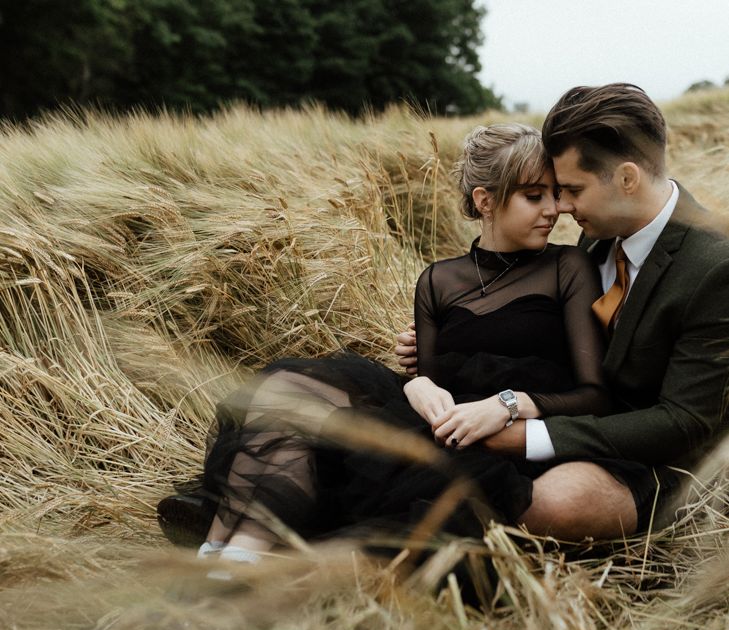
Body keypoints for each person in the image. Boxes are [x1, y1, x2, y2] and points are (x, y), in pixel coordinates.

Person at [157, 123, 613, 562]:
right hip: (434, 420)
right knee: (284, 388)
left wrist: (510, 404)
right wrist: (418, 385)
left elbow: (593, 393)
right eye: (534, 197)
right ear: (485, 200)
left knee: (342, 460)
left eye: (555, 194)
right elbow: (431, 379)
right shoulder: (439, 280)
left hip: (494, 438)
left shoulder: (567, 268)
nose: (553, 210)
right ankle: (226, 558)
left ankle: (227, 553)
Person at [397, 83, 729, 540]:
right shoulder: (599, 234)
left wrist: (527, 434)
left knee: (556, 503)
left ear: (627, 179)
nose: (563, 209)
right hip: (568, 416)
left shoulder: (716, 267)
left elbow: (683, 422)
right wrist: (460, 342)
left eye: (571, 190)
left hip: (658, 458)